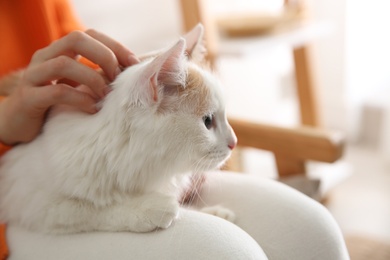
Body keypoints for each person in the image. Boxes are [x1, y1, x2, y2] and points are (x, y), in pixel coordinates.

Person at [0, 0, 350, 259]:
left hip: (133, 153)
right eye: (210, 122)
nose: (233, 142)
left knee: (316, 235)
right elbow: (22, 202)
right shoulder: (68, 163)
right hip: (30, 219)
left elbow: (98, 71)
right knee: (229, 254)